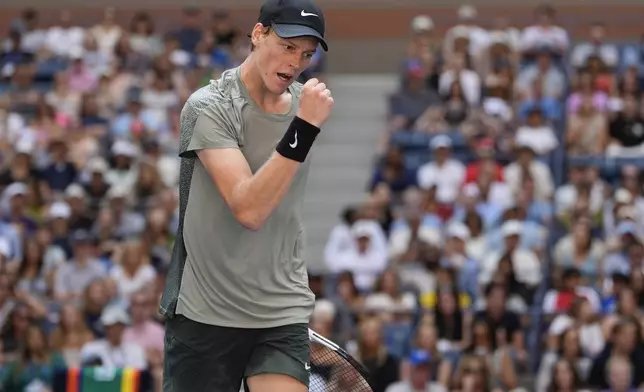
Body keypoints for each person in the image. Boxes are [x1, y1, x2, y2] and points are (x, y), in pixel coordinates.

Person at [159, 0, 333, 391]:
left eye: (306, 54)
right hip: (205, 309)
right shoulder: (208, 107)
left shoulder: (304, 108)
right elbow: (249, 208)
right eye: (287, 46)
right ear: (258, 34)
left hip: (280, 308)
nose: (296, 62)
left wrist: (302, 123)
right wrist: (302, 129)